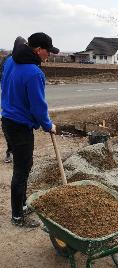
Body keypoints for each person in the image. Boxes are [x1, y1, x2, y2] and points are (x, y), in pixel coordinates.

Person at [1, 32, 59, 228]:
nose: (48, 56)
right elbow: (38, 106)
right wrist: (48, 124)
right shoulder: (34, 73)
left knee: (22, 167)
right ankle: (18, 215)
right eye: (48, 52)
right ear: (38, 49)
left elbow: (5, 83)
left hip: (7, 119)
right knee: (21, 170)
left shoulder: (10, 60)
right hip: (20, 126)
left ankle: (23, 205)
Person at [1, 36, 27, 163]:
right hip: (8, 99)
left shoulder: (24, 60)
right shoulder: (8, 60)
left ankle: (14, 152)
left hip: (13, 100)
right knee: (10, 128)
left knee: (13, 129)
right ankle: (10, 152)